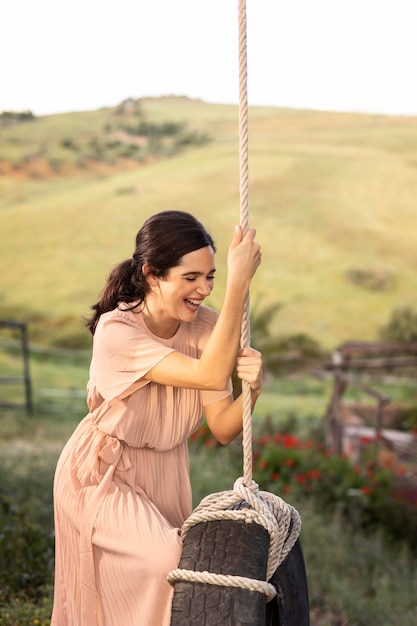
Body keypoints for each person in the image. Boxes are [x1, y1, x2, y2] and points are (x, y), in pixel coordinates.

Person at [51, 210, 263, 626]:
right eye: (191, 278)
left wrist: (254, 390)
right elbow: (209, 374)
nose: (204, 289)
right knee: (163, 561)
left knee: (154, 581)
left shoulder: (206, 329)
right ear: (151, 274)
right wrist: (239, 282)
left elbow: (222, 427)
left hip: (166, 472)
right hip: (103, 472)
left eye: (213, 277)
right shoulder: (118, 332)